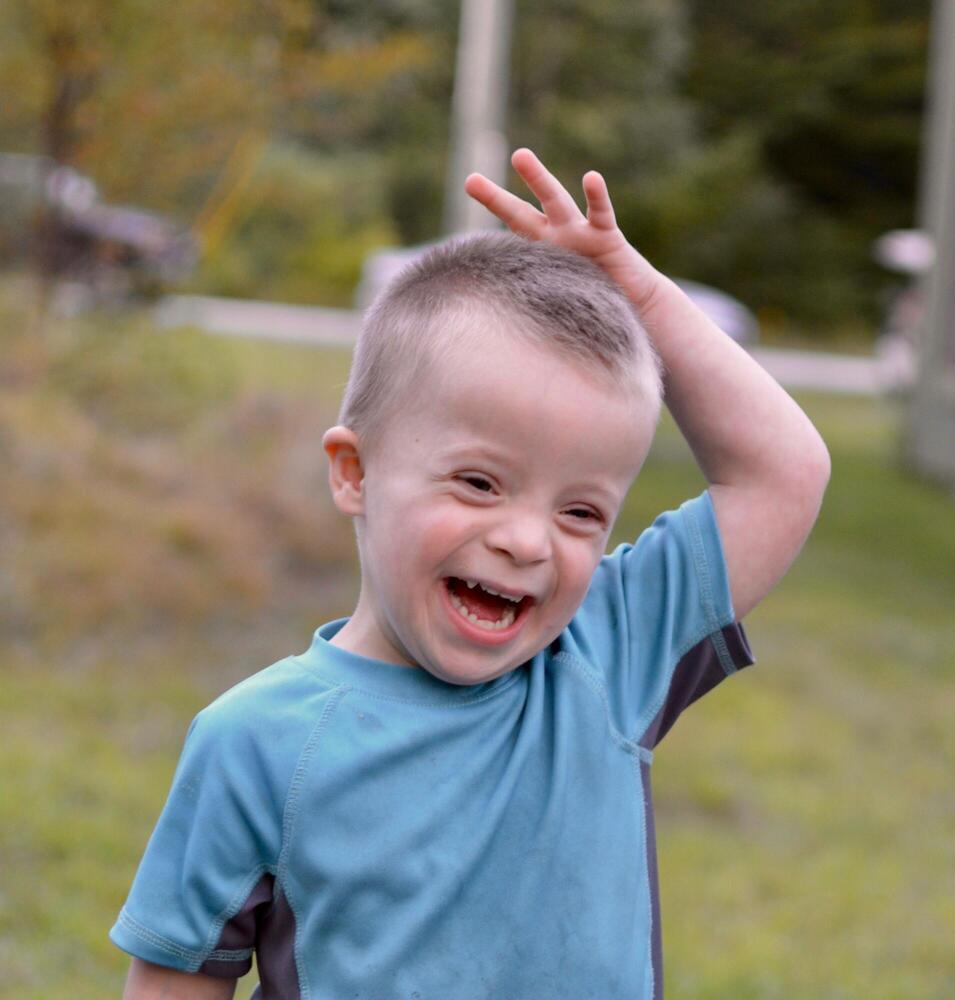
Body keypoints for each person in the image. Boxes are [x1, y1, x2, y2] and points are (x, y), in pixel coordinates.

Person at [112, 149, 830, 999]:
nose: (528, 542)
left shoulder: (605, 656)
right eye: (480, 484)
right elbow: (174, 983)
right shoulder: (257, 744)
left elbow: (782, 473)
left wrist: (631, 290)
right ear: (356, 474)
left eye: (581, 514)